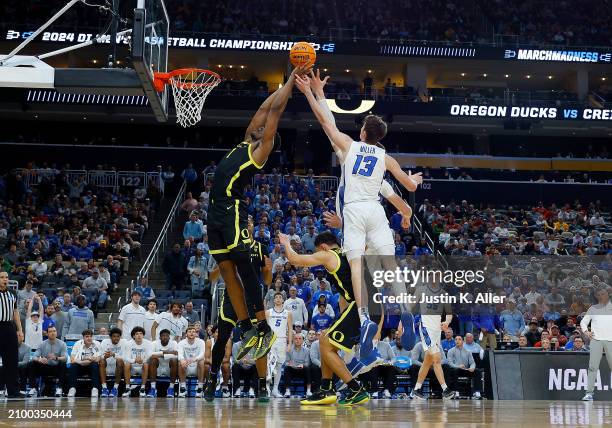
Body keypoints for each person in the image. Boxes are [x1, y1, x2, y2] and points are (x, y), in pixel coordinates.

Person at [294, 70, 422, 357]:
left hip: (354, 211)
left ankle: (364, 319)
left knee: (355, 266)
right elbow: (408, 189)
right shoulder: (384, 160)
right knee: (391, 266)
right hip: (376, 211)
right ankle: (405, 311)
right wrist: (408, 208)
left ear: (363, 133)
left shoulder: (348, 148)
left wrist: (312, 93)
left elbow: (326, 122)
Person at [206, 64, 309, 361]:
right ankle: (248, 327)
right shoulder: (245, 139)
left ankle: (263, 325)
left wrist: (290, 80)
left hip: (231, 209)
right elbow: (266, 106)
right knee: (226, 271)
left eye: (264, 128)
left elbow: (275, 112)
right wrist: (280, 86)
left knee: (241, 263)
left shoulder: (261, 149)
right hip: (214, 213)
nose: (260, 124)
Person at [279, 231, 369, 406]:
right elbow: (345, 293)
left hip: (359, 306)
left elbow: (295, 260)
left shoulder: (329, 255)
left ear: (323, 247)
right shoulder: (347, 254)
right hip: (362, 305)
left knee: (325, 343)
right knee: (324, 340)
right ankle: (326, 389)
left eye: (317, 250)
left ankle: (355, 389)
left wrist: (286, 243)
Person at [203, 215, 273, 402]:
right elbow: (211, 278)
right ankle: (211, 379)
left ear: (252, 226)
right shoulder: (229, 247)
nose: (247, 223)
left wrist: (268, 270)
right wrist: (222, 266)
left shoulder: (260, 248)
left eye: (250, 221)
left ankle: (262, 385)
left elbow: (266, 281)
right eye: (244, 221)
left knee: (260, 342)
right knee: (221, 338)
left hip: (253, 301)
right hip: (231, 299)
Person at [411, 280, 455, 400]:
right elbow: (409, 306)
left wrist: (446, 322)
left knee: (428, 361)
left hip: (437, 331)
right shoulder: (421, 290)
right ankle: (445, 389)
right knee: (436, 358)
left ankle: (416, 390)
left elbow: (449, 314)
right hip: (425, 327)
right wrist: (403, 322)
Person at [580, 287, 612, 401]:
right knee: (592, 367)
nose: (601, 296)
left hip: (610, 341)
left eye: (603, 294)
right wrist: (586, 331)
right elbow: (583, 322)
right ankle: (589, 393)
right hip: (596, 340)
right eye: (599, 294)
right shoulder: (593, 309)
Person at [27, 325, 67, 397]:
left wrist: (56, 358)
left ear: (56, 333)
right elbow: (34, 357)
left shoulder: (62, 344)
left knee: (63, 363)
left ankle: (59, 388)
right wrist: (39, 359)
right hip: (45, 367)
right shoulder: (42, 344)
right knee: (32, 363)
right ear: (47, 334)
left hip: (56, 368)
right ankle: (33, 388)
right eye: (50, 331)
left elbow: (65, 358)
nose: (53, 333)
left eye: (54, 331)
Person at [266, 292, 293, 398]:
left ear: (283, 300)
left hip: (282, 340)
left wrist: (289, 343)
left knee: (279, 365)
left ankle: (275, 389)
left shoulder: (288, 313)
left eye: (280, 297)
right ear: (273, 300)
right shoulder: (268, 312)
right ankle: (267, 388)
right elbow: (265, 329)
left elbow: (290, 329)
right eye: (276, 297)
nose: (278, 299)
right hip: (271, 341)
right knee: (269, 365)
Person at [67, 329, 102, 397]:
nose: (89, 338)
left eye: (91, 336)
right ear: (83, 338)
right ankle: (72, 388)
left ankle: (95, 389)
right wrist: (83, 360)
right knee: (73, 366)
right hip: (80, 366)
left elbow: (98, 359)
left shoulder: (97, 344)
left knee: (95, 365)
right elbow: (72, 359)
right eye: (87, 336)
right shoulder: (77, 344)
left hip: (91, 366)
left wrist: (88, 359)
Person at [122, 326, 152, 397]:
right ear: (133, 336)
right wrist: (134, 360)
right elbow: (125, 357)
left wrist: (142, 360)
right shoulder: (128, 343)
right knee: (127, 364)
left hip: (143, 367)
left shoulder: (148, 343)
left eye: (141, 333)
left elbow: (149, 356)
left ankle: (142, 388)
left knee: (146, 364)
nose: (139, 335)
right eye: (137, 334)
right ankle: (127, 388)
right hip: (132, 367)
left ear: (143, 335)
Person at [177, 326, 207, 397]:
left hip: (197, 367)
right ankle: (183, 388)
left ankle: (200, 388)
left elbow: (202, 354)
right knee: (180, 362)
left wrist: (194, 359)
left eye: (193, 332)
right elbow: (180, 354)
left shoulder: (201, 342)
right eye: (189, 332)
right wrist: (182, 360)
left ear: (196, 334)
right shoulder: (181, 343)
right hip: (186, 367)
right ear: (186, 334)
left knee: (201, 361)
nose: (191, 333)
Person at [149, 329, 179, 398]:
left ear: (169, 337)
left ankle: (171, 388)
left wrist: (160, 355)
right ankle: (153, 388)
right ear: (159, 337)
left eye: (166, 336)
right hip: (157, 367)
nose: (165, 337)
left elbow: (176, 355)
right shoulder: (154, 343)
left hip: (170, 368)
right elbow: (150, 355)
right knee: (153, 360)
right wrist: (167, 352)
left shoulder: (174, 343)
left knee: (174, 360)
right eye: (163, 336)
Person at [99, 327, 127, 398]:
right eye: (114, 336)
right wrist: (105, 356)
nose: (116, 338)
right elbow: (99, 356)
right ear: (110, 337)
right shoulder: (104, 342)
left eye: (118, 336)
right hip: (107, 366)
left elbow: (126, 358)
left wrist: (114, 354)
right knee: (101, 360)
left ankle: (115, 388)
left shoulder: (124, 342)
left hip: (120, 368)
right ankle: (104, 388)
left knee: (120, 361)